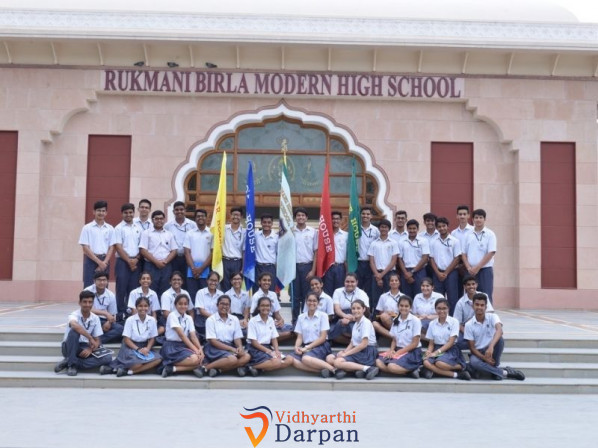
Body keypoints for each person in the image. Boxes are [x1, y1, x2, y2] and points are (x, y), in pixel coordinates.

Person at [464, 293, 525, 381]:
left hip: (492, 350)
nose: (479, 307)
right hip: (479, 353)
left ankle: (493, 369)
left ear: (486, 307)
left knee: (500, 340)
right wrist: (484, 358)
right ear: (472, 306)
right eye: (477, 304)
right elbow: (472, 348)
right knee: (474, 362)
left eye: (482, 305)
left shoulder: (493, 317)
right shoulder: (468, 325)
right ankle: (505, 372)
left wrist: (491, 347)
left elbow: (500, 330)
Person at [54, 290, 112, 377]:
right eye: (85, 302)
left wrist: (90, 349)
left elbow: (97, 340)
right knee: (74, 331)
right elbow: (74, 325)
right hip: (69, 346)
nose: (87, 305)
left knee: (108, 358)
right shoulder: (73, 315)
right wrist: (90, 338)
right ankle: (72, 365)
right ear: (79, 303)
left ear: (93, 303)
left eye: (90, 302)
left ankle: (70, 361)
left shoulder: (95, 318)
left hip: (84, 347)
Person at [107, 296, 162, 377]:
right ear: (136, 307)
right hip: (130, 346)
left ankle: (129, 372)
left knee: (158, 359)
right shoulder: (130, 320)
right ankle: (124, 369)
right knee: (137, 362)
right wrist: (138, 349)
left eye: (145, 306)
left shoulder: (152, 320)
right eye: (140, 306)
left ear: (149, 307)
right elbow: (126, 339)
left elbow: (152, 338)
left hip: (144, 346)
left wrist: (147, 349)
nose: (143, 308)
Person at [326, 299, 379, 380]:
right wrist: (344, 352)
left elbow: (363, 344)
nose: (355, 311)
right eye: (353, 308)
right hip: (358, 351)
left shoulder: (366, 322)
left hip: (367, 352)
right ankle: (356, 370)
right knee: (329, 358)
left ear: (364, 309)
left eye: (358, 308)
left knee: (337, 362)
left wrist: (346, 354)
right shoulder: (356, 324)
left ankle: (368, 369)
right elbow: (352, 342)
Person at [421, 298, 470, 380]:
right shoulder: (432, 323)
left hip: (450, 349)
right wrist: (429, 351)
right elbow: (431, 343)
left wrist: (436, 353)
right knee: (425, 361)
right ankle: (456, 375)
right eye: (439, 308)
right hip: (437, 348)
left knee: (439, 363)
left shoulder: (454, 322)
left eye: (444, 308)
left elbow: (451, 342)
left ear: (448, 309)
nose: (441, 311)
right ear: (435, 309)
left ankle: (461, 366)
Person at [202, 295, 251, 377]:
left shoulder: (234, 319)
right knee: (232, 359)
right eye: (222, 304)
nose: (224, 306)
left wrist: (240, 347)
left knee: (247, 356)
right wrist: (231, 349)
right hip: (214, 347)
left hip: (230, 346)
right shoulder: (211, 320)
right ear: (217, 305)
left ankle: (219, 370)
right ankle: (205, 368)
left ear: (230, 306)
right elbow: (213, 341)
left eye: (227, 304)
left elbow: (237, 337)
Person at [375, 295, 422, 378]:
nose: (403, 308)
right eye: (401, 306)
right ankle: (408, 371)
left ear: (410, 307)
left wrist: (398, 353)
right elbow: (394, 339)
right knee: (378, 362)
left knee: (391, 366)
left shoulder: (415, 321)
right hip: (398, 349)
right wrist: (391, 350)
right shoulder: (396, 320)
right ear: (398, 306)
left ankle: (411, 368)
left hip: (412, 352)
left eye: (406, 306)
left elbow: (415, 343)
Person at [290, 291, 334, 378]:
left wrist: (307, 347)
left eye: (314, 301)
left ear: (318, 303)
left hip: (321, 346)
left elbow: (323, 338)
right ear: (306, 302)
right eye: (309, 300)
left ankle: (333, 369)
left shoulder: (323, 316)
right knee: (291, 359)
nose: (312, 303)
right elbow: (300, 337)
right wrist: (296, 347)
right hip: (306, 346)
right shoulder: (301, 317)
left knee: (305, 359)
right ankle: (321, 371)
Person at [160, 294, 205, 378]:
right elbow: (182, 335)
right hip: (171, 347)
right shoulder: (172, 315)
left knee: (202, 359)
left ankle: (172, 369)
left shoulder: (189, 318)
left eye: (185, 304)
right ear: (175, 305)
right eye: (180, 304)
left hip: (183, 346)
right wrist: (196, 350)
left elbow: (193, 336)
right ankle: (166, 363)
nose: (183, 306)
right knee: (196, 359)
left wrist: (200, 350)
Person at [246, 297, 293, 375]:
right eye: (263, 305)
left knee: (289, 359)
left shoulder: (271, 320)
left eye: (267, 305)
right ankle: (249, 366)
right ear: (258, 307)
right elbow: (254, 343)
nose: (265, 308)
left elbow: (274, 338)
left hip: (267, 347)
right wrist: (270, 352)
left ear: (270, 307)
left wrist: (277, 351)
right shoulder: (253, 321)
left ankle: (259, 369)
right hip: (255, 349)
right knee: (276, 362)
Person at [113, 202, 142, 318]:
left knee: (133, 289)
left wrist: (136, 259)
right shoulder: (118, 228)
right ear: (122, 214)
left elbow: (142, 246)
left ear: (134, 213)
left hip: (136, 262)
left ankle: (131, 314)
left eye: (130, 212)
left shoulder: (138, 228)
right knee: (121, 289)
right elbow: (118, 247)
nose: (128, 215)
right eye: (126, 213)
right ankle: (120, 314)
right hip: (122, 262)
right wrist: (129, 261)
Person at [462, 209, 497, 303]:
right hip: (470, 271)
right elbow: (463, 253)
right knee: (470, 296)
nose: (478, 220)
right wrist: (468, 267)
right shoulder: (467, 234)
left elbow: (491, 252)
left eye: (481, 217)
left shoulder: (490, 234)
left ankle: (488, 312)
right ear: (472, 219)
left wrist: (478, 267)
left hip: (485, 270)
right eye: (476, 217)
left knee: (486, 295)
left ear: (484, 219)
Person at [139, 210, 177, 296]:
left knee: (165, 289)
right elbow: (143, 250)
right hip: (151, 265)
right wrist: (156, 262)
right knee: (151, 288)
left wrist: (165, 261)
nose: (159, 220)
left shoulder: (169, 234)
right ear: (152, 220)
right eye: (156, 219)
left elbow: (174, 250)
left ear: (164, 220)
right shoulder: (146, 233)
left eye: (161, 218)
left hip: (166, 266)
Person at [79, 200, 115, 288]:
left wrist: (104, 262)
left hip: (105, 260)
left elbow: (111, 247)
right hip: (91, 260)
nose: (101, 213)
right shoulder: (87, 228)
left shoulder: (110, 228)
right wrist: (99, 262)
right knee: (88, 287)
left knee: (103, 287)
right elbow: (85, 247)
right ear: (94, 212)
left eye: (103, 211)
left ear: (106, 213)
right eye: (99, 210)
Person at [429, 216, 461, 315]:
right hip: (437, 273)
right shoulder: (433, 241)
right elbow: (431, 258)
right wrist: (438, 273)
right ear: (436, 228)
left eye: (444, 226)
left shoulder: (455, 241)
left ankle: (453, 319)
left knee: (452, 298)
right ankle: (439, 318)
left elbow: (457, 258)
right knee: (438, 297)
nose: (442, 228)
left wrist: (446, 273)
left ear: (448, 226)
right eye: (439, 226)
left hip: (451, 273)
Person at [292, 207, 318, 325]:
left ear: (306, 218)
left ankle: (306, 321)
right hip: (293, 267)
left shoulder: (313, 232)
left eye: (303, 215)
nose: (300, 217)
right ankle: (295, 321)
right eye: (298, 215)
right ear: (295, 218)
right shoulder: (291, 232)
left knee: (306, 295)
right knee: (295, 296)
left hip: (308, 266)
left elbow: (316, 252)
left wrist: (313, 270)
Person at [454, 275, 495, 349]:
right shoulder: (460, 303)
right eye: (468, 285)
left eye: (473, 284)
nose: (471, 286)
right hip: (467, 329)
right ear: (464, 287)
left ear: (476, 285)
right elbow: (457, 323)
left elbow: (490, 313)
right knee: (457, 342)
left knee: (497, 339)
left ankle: (479, 345)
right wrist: (468, 333)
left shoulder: (484, 296)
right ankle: (477, 346)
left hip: (483, 326)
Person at [164, 201, 197, 290]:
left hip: (188, 258)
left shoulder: (192, 225)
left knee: (187, 282)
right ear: (173, 211)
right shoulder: (168, 226)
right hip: (173, 258)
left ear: (185, 210)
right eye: (177, 210)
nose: (179, 211)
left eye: (181, 209)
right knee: (174, 280)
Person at [368, 218, 399, 311]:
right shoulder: (374, 243)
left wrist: (381, 275)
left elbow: (394, 260)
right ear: (379, 228)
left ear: (389, 229)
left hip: (390, 273)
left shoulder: (393, 243)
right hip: (376, 273)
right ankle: (376, 316)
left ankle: (392, 315)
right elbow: (371, 261)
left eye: (386, 227)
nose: (384, 229)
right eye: (382, 227)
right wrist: (378, 275)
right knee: (376, 297)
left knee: (391, 295)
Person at [329, 273, 370, 343]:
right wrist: (345, 316)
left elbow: (365, 312)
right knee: (329, 332)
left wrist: (352, 318)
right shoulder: (337, 291)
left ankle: (356, 343)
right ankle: (355, 342)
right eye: (347, 281)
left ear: (357, 282)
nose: (349, 284)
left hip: (357, 318)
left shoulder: (362, 293)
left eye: (352, 282)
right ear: (344, 282)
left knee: (356, 330)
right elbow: (337, 309)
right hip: (340, 316)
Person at [250, 272, 292, 340]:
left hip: (273, 323)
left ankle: (274, 336)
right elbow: (253, 315)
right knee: (287, 333)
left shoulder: (273, 295)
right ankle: (272, 337)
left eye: (269, 280)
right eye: (264, 280)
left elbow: (276, 314)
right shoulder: (256, 296)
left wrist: (281, 320)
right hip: (262, 324)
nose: (267, 282)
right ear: (259, 282)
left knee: (294, 329)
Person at [84, 272, 123, 344]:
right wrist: (105, 313)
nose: (102, 282)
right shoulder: (87, 291)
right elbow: (86, 309)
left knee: (120, 329)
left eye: (104, 280)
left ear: (107, 281)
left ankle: (97, 340)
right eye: (99, 280)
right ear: (94, 281)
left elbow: (112, 314)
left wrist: (109, 323)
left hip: (104, 321)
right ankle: (95, 338)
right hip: (90, 319)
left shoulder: (110, 295)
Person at [184, 209, 213, 301]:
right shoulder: (189, 233)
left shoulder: (212, 233)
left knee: (205, 295)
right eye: (198, 216)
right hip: (191, 268)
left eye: (202, 216)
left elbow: (212, 253)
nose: (200, 218)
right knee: (192, 295)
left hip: (205, 268)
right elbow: (187, 252)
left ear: (206, 218)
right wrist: (194, 269)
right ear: (195, 219)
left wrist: (201, 269)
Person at [398, 219, 430, 300]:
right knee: (406, 296)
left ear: (418, 229)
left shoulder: (423, 241)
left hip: (419, 271)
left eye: (414, 228)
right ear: (407, 229)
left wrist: (412, 272)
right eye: (410, 228)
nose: (412, 230)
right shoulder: (402, 241)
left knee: (420, 295)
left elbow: (425, 257)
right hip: (405, 271)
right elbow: (400, 258)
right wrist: (406, 273)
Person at [356, 207, 380, 300]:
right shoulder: (355, 229)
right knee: (357, 287)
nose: (365, 216)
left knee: (370, 288)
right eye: (363, 214)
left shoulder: (375, 231)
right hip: (357, 263)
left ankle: (369, 308)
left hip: (371, 264)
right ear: (360, 215)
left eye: (367, 214)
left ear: (371, 216)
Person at [323, 211, 348, 296]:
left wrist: (347, 270)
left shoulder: (346, 235)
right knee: (327, 293)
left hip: (340, 268)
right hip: (327, 268)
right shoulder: (325, 235)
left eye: (337, 219)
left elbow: (348, 254)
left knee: (340, 292)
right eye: (333, 219)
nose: (335, 221)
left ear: (341, 220)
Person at [451, 205, 474, 297]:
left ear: (468, 215)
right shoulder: (453, 233)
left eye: (464, 214)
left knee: (471, 291)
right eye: (460, 214)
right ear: (457, 216)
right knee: (457, 291)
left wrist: (467, 265)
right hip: (457, 265)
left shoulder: (473, 230)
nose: (462, 216)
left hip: (469, 265)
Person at [194, 271, 224, 340]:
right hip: (202, 321)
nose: (213, 283)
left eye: (215, 281)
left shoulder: (221, 294)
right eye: (211, 280)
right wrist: (214, 319)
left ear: (218, 282)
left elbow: (223, 310)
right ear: (207, 280)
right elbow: (201, 311)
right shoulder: (200, 292)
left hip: (217, 321)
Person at [221, 207, 246, 292]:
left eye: (238, 215)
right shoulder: (223, 228)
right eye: (234, 215)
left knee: (236, 286)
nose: (235, 217)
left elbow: (244, 252)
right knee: (225, 286)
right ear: (230, 216)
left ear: (241, 217)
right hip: (225, 261)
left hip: (237, 262)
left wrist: (243, 268)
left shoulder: (244, 232)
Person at [372, 272, 403, 338]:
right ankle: (395, 337)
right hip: (385, 320)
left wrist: (394, 314)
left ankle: (397, 335)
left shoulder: (403, 297)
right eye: (392, 281)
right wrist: (387, 314)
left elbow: (406, 314)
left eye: (396, 280)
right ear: (389, 283)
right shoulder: (383, 296)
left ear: (399, 283)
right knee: (375, 324)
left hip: (399, 320)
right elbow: (379, 312)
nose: (394, 282)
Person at [255, 214, 278, 291]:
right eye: (264, 222)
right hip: (258, 267)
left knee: (270, 291)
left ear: (272, 223)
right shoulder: (255, 235)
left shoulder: (276, 237)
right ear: (261, 223)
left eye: (269, 222)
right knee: (257, 291)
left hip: (270, 267)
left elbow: (278, 254)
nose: (266, 224)